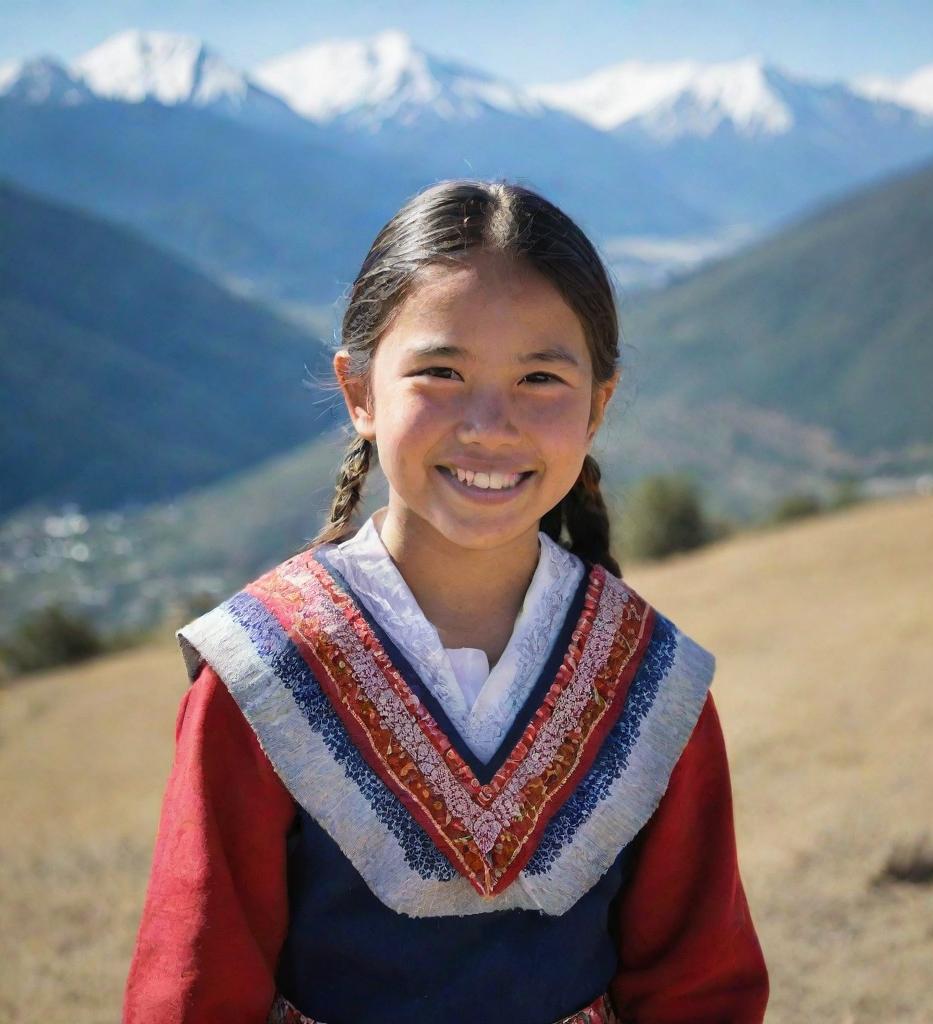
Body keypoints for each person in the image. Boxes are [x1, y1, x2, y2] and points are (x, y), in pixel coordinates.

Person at [122, 179, 770, 1024]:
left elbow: (700, 987)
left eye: (540, 376)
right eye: (441, 371)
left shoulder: (650, 682)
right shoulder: (269, 670)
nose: (489, 425)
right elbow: (194, 987)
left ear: (598, 406)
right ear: (359, 393)